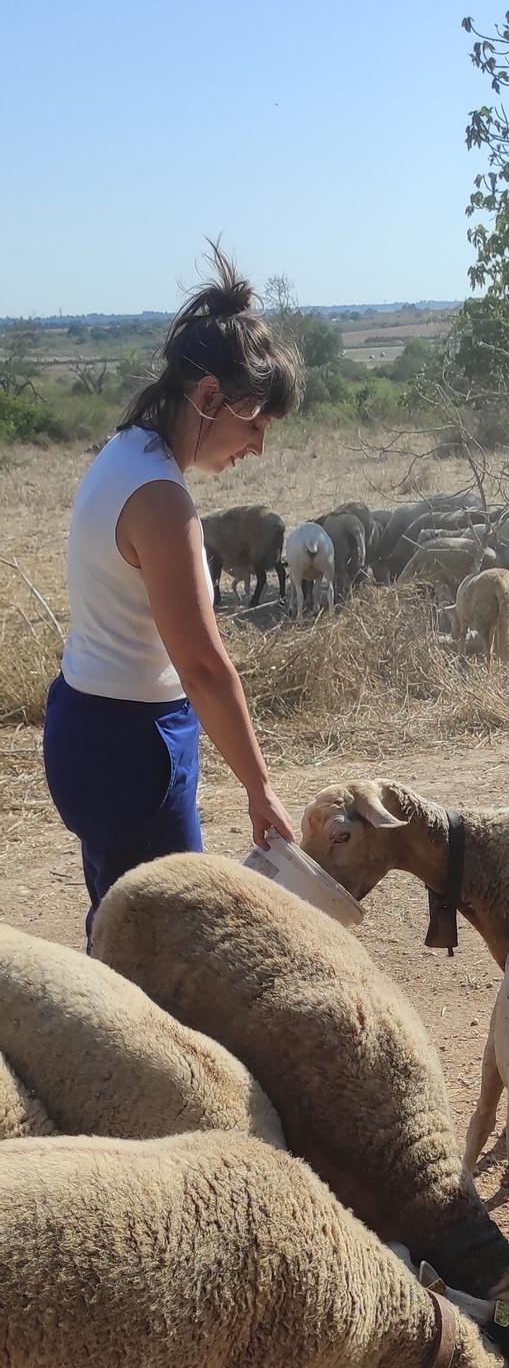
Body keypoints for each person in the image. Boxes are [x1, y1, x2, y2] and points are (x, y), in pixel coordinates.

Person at [43, 248, 302, 941]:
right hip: (131, 750)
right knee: (168, 950)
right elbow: (204, 668)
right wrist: (260, 787)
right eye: (254, 426)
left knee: (125, 929)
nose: (256, 449)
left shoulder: (127, 452)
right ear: (209, 398)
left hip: (95, 727)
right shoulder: (161, 501)